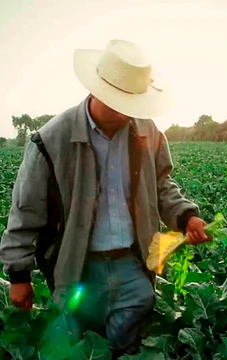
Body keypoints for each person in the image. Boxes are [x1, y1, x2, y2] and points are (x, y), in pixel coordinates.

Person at [0, 39, 212, 358]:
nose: (132, 113)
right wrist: (18, 275)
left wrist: (185, 217)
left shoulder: (147, 132)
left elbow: (162, 185)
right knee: (76, 346)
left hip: (132, 264)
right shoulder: (51, 140)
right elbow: (25, 212)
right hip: (75, 268)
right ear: (101, 92)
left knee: (128, 345)